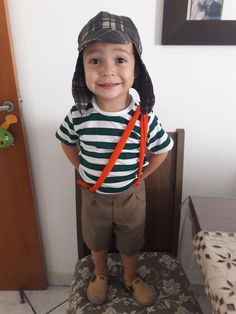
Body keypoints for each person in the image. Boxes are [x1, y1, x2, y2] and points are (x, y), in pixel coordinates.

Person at [56, 11, 173, 307]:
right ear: (82, 68)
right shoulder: (79, 115)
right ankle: (100, 275)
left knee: (131, 242)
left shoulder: (144, 118)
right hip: (93, 195)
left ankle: (131, 277)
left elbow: (162, 149)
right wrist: (79, 168)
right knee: (96, 240)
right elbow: (66, 142)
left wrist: (141, 177)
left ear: (136, 69)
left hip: (130, 197)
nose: (108, 71)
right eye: (95, 60)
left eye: (120, 59)